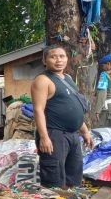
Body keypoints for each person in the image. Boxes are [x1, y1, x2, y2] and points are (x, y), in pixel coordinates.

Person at [31, 45, 94, 188]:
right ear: (44, 60)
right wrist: (44, 137)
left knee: (74, 174)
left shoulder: (68, 78)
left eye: (62, 56)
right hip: (55, 134)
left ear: (67, 58)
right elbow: (38, 110)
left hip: (72, 135)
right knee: (54, 179)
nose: (58, 60)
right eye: (53, 57)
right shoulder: (43, 80)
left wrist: (84, 131)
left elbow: (74, 106)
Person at [94, 54, 111, 126]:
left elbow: (102, 93)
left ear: (108, 64)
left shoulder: (104, 75)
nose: (102, 68)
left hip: (108, 111)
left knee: (104, 133)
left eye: (103, 65)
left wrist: (97, 110)